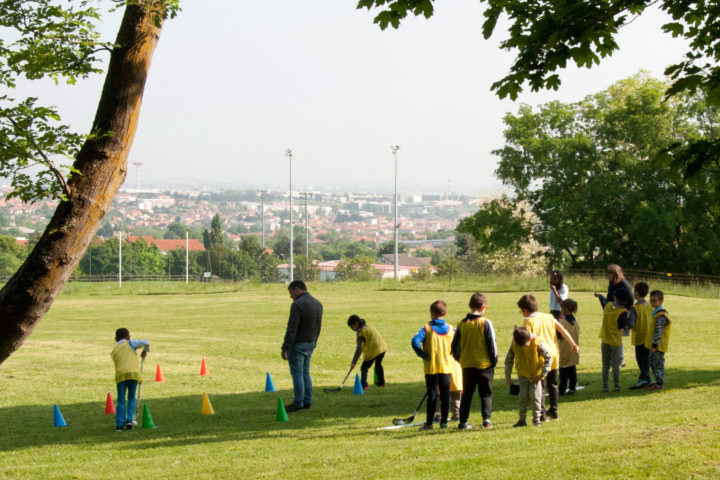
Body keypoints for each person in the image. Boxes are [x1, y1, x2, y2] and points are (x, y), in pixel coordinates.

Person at [517, 294, 579, 420]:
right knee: (553, 384)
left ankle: (542, 414)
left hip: (540, 357)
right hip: (553, 355)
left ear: (525, 310)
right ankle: (554, 412)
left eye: (521, 311)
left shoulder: (528, 322)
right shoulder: (549, 317)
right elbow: (562, 330)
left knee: (541, 386)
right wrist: (573, 344)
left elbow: (527, 342)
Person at [451, 292, 497, 430]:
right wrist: (494, 361)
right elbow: (491, 343)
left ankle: (463, 422)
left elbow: (454, 346)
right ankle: (486, 420)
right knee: (486, 393)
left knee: (467, 395)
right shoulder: (485, 323)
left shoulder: (461, 324)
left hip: (467, 365)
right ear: (484, 307)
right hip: (484, 365)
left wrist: (460, 359)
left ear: (469, 305)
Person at [411, 300, 454, 431]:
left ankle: (429, 423)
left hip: (431, 368)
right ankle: (444, 423)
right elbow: (460, 342)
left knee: (432, 395)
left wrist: (423, 355)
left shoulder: (426, 328)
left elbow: (414, 341)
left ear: (431, 314)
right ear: (445, 313)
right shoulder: (452, 329)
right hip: (446, 367)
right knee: (445, 395)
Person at [281, 280, 323, 412]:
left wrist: (285, 346)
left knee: (297, 374)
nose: (290, 296)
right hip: (310, 342)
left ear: (297, 289)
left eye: (291, 292)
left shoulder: (297, 305)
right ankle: (307, 400)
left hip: (298, 344)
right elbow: (318, 326)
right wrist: (315, 341)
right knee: (305, 373)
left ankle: (298, 402)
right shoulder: (317, 303)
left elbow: (292, 328)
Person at [504, 327, 553, 427]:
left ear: (529, 339)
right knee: (522, 398)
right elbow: (509, 359)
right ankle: (522, 420)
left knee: (535, 397)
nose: (522, 347)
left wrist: (543, 374)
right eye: (520, 346)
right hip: (522, 375)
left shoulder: (537, 343)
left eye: (524, 345)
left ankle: (536, 419)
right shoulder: (515, 343)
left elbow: (549, 357)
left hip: (536, 376)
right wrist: (507, 376)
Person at [594, 264, 634, 368]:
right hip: (611, 314)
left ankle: (620, 360)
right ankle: (616, 359)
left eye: (609, 273)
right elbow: (609, 299)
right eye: (607, 273)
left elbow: (631, 299)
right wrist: (601, 298)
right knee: (612, 336)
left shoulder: (624, 284)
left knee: (617, 336)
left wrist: (624, 311)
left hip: (621, 314)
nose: (608, 275)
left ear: (616, 273)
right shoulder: (612, 284)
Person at [110, 328, 149, 432]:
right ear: (128, 337)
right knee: (131, 398)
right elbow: (146, 342)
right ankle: (129, 420)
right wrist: (145, 351)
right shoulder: (130, 343)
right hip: (133, 374)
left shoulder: (114, 350)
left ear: (115, 339)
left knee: (121, 400)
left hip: (120, 376)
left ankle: (119, 425)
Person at [599, 288, 630, 392]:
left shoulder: (608, 306)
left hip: (605, 340)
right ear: (626, 301)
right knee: (615, 365)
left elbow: (604, 302)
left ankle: (605, 386)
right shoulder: (623, 312)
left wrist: (599, 296)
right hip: (616, 342)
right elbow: (622, 326)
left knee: (605, 365)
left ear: (615, 297)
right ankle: (616, 385)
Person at [347, 314, 387, 390]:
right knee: (378, 365)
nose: (352, 329)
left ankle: (364, 385)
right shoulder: (368, 326)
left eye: (352, 327)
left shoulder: (361, 333)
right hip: (382, 348)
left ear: (356, 323)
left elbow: (359, 349)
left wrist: (353, 362)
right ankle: (382, 383)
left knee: (364, 368)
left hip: (374, 350)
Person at [628, 282, 654, 389]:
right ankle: (648, 379)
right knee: (645, 358)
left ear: (637, 293)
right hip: (649, 336)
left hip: (640, 336)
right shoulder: (649, 306)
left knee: (640, 359)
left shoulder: (634, 308)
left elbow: (631, 324)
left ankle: (642, 379)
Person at [647, 290, 671, 391]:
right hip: (655, 344)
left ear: (661, 301)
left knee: (658, 364)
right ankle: (657, 382)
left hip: (658, 345)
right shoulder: (655, 313)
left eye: (655, 301)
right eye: (651, 301)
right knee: (653, 363)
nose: (652, 303)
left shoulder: (661, 315)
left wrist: (654, 345)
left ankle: (660, 383)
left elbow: (658, 331)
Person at [558, 298, 579, 395]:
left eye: (562, 308)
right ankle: (572, 387)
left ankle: (561, 390)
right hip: (573, 351)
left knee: (563, 372)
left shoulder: (563, 323)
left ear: (566, 309)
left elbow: (558, 335)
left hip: (564, 350)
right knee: (572, 371)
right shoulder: (575, 321)